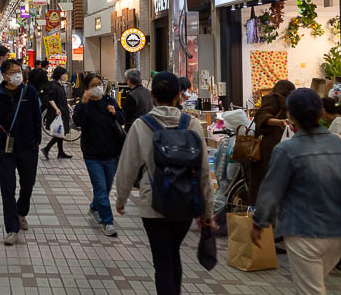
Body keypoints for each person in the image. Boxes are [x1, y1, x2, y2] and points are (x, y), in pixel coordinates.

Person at [115, 72, 214, 294]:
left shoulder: (142, 125)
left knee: (163, 261)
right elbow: (204, 172)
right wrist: (207, 211)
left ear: (152, 97)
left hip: (153, 205)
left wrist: (121, 198)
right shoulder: (193, 124)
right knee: (173, 254)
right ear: (179, 96)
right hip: (186, 203)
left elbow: (128, 165)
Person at [252, 88, 341, 295]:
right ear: (321, 114)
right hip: (336, 232)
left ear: (290, 115)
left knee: (310, 290)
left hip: (302, 231)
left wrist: (259, 222)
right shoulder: (337, 143)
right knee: (313, 285)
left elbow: (271, 191)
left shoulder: (287, 149)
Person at [0, 59, 42, 246]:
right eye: (13, 71)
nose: (18, 74)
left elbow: (37, 117)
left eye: (20, 71)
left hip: (28, 148)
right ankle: (11, 228)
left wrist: (37, 141)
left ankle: (21, 212)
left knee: (28, 185)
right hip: (5, 149)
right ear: (4, 75)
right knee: (7, 189)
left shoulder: (29, 92)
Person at [73, 73, 125, 237]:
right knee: (101, 188)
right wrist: (83, 102)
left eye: (99, 84)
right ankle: (107, 222)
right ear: (87, 89)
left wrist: (114, 113)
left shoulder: (109, 101)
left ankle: (94, 207)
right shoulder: (84, 105)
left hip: (111, 153)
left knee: (107, 187)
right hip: (92, 154)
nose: (98, 87)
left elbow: (123, 117)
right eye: (93, 85)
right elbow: (77, 121)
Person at [249, 79, 295, 203]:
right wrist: (279, 122)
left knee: (265, 178)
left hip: (268, 146)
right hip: (277, 144)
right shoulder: (278, 100)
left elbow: (259, 115)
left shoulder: (273, 98)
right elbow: (261, 116)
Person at [41, 66, 72, 160]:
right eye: (64, 74)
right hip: (58, 112)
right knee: (60, 133)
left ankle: (60, 152)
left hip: (62, 110)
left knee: (60, 132)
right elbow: (50, 99)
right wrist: (56, 109)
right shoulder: (54, 85)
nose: (65, 76)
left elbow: (63, 98)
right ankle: (47, 149)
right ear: (59, 75)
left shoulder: (60, 84)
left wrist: (69, 106)